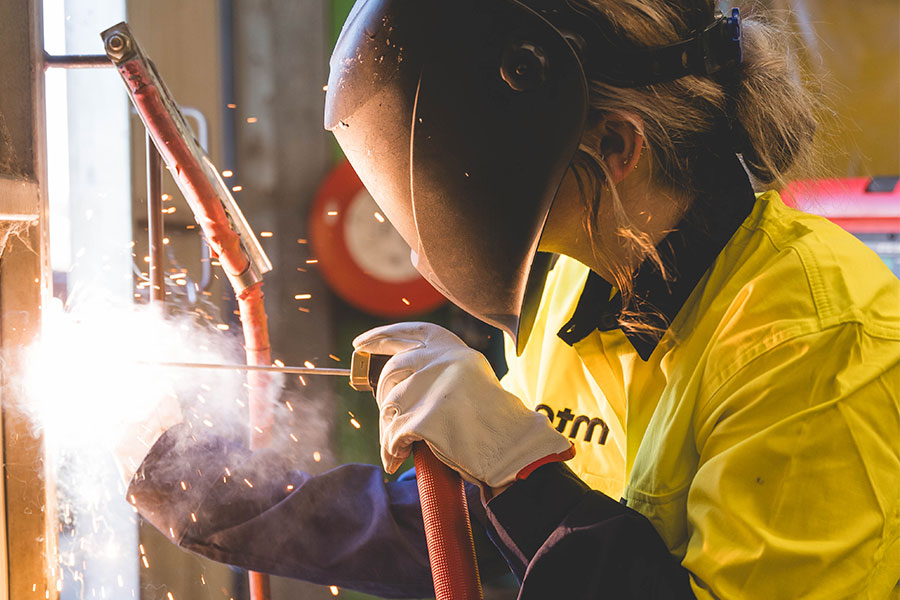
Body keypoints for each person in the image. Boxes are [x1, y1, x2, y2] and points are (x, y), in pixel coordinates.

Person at [121, 0, 900, 597]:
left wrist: (519, 472)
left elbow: (542, 517)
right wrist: (206, 493)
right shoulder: (575, 280)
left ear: (616, 147)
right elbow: (480, 537)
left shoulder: (815, 343)